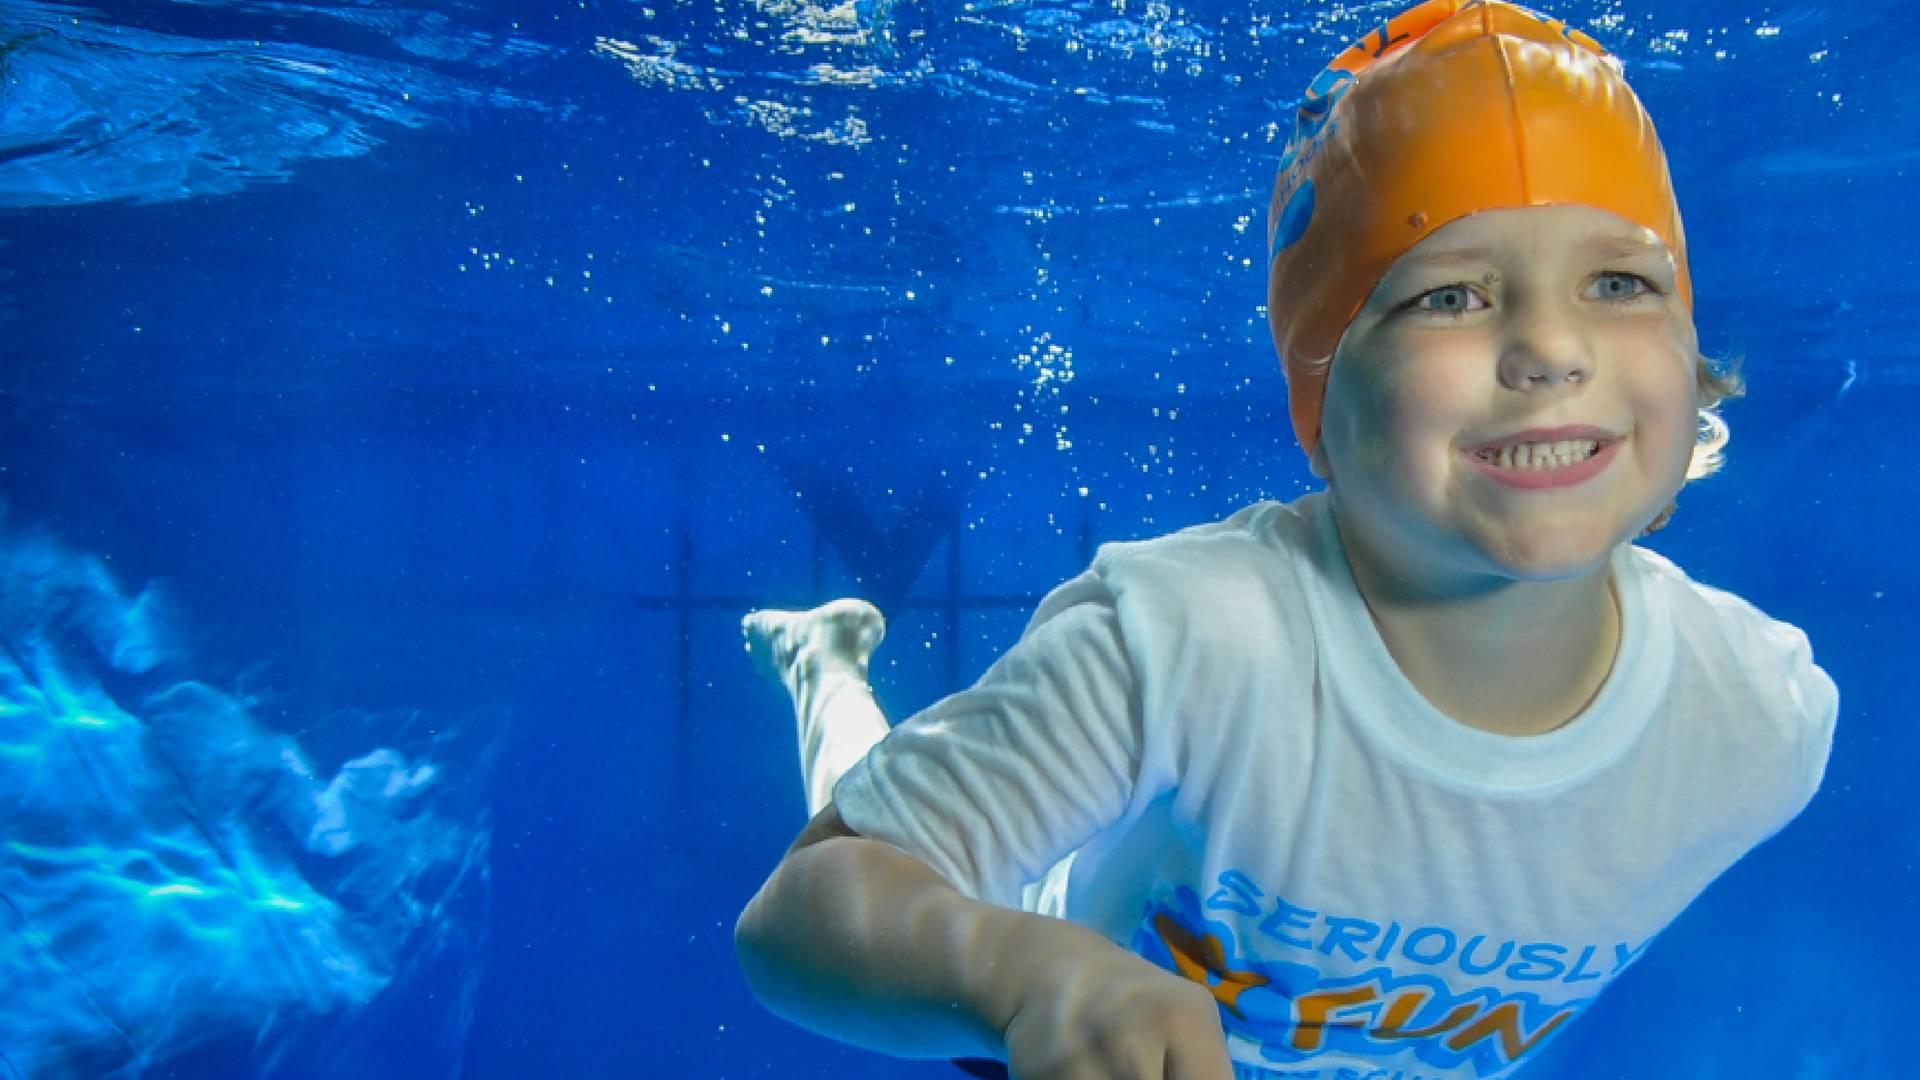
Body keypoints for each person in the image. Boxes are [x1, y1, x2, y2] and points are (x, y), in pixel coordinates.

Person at [733, 2, 1839, 1077]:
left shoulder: (1758, 722)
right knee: (878, 793)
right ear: (1322, 388)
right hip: (1035, 1009)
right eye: (1450, 295)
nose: (1551, 348)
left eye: (1619, 282)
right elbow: (804, 911)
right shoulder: (1183, 642)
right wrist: (1022, 979)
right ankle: (823, 665)